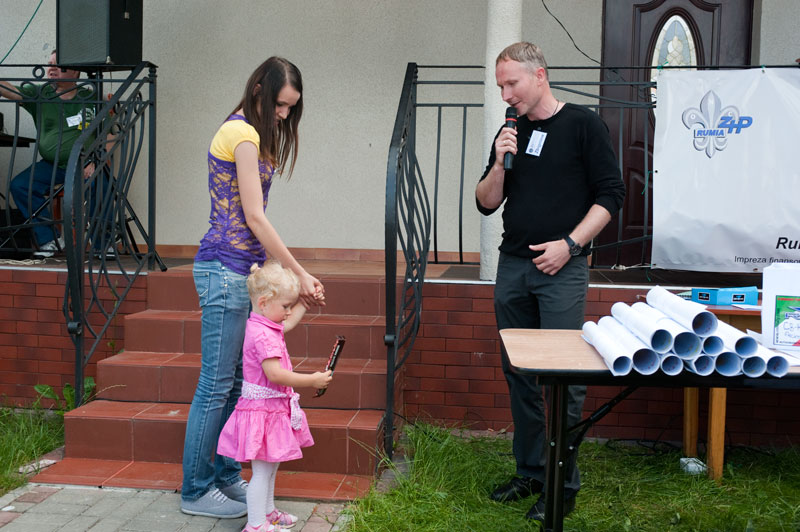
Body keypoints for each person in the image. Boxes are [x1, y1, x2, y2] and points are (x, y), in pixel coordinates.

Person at [475, 42, 625, 521]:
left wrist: (571, 245)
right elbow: (485, 202)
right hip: (513, 267)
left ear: (539, 74)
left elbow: (611, 194)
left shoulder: (582, 125)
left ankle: (562, 486)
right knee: (519, 373)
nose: (505, 94)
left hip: (561, 269)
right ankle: (531, 471)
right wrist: (498, 162)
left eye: (511, 83)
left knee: (564, 379)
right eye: (500, 86)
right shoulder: (510, 131)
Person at [180, 56, 325, 519]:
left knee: (237, 387)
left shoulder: (254, 136)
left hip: (239, 272)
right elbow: (255, 218)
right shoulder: (241, 134)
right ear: (259, 90)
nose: (283, 115)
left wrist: (281, 277)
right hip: (223, 269)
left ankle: (225, 477)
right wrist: (298, 273)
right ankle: (196, 489)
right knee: (216, 385)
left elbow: (253, 225)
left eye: (290, 108)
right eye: (280, 105)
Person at [217, 261, 332, 532]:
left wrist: (304, 302)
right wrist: (312, 380)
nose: (289, 312)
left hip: (270, 409)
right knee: (262, 472)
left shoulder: (264, 323)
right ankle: (256, 525)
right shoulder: (263, 335)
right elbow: (275, 374)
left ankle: (268, 513)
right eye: (286, 306)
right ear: (264, 302)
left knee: (271, 467)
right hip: (262, 412)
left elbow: (287, 323)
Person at [0, 50, 95, 257]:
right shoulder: (40, 93)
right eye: (49, 63)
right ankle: (49, 239)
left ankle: (103, 241)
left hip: (85, 164)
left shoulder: (91, 96)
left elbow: (109, 133)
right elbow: (12, 92)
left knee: (101, 182)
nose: (51, 68)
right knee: (20, 185)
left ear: (75, 72)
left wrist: (97, 159)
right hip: (53, 165)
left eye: (57, 64)